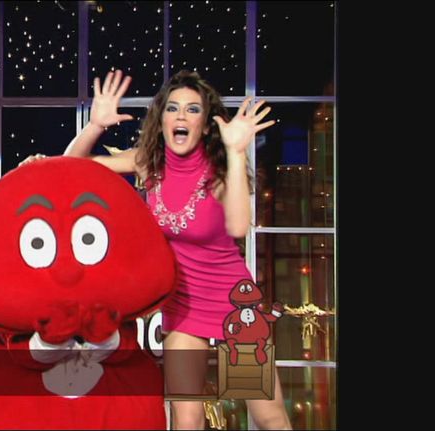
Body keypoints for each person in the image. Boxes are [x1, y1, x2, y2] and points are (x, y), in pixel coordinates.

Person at [61, 69, 291, 430]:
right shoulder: (149, 163)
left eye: (192, 109)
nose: (181, 115)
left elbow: (238, 226)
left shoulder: (218, 171)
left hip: (234, 303)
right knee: (186, 418)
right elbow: (69, 168)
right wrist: (94, 126)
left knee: (268, 415)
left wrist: (235, 152)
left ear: (206, 126)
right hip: (182, 304)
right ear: (162, 120)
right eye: (173, 108)